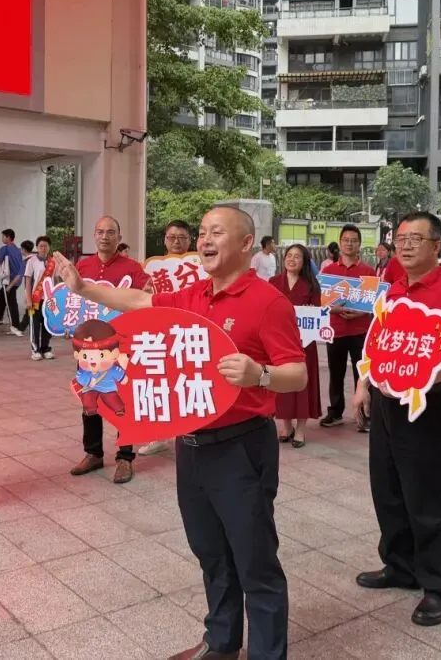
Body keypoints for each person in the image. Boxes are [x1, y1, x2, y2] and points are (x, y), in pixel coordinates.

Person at [53, 205, 306, 660]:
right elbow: (140, 303)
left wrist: (261, 375)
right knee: (210, 551)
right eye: (203, 232)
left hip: (241, 446)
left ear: (247, 243)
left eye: (217, 232)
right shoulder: (193, 294)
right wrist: (84, 287)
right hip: (190, 448)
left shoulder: (269, 302)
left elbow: (297, 374)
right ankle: (222, 642)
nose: (205, 240)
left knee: (255, 561)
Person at [352, 212, 441, 627]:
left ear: (437, 246)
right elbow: (377, 341)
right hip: (387, 404)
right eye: (400, 238)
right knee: (387, 490)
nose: (404, 246)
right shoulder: (394, 290)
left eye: (415, 239)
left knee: (428, 499)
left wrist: (420, 379)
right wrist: (363, 385)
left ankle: (440, 588)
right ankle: (400, 566)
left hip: (427, 406)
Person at [69, 216, 150, 485]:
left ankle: (125, 457)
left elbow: (143, 301)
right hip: (87, 346)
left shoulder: (133, 268)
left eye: (111, 232)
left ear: (119, 236)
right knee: (89, 400)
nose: (105, 236)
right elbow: (72, 302)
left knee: (122, 401)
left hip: (121, 346)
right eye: (100, 232)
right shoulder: (82, 266)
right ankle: (92, 453)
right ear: (94, 235)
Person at [139, 219, 195, 457]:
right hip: (161, 333)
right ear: (164, 240)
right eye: (172, 237)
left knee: (189, 382)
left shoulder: (200, 267)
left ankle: (191, 431)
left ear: (190, 240)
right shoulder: (152, 269)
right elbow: (142, 299)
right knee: (160, 384)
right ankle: (157, 436)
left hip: (191, 334)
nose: (176, 241)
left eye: (181, 237)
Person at [320, 224, 374, 431]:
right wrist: (334, 310)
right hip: (336, 330)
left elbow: (372, 304)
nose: (349, 244)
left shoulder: (367, 271)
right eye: (346, 240)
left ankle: (363, 414)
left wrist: (360, 312)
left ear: (359, 244)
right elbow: (323, 303)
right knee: (335, 373)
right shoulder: (329, 271)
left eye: (353, 240)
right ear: (340, 243)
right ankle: (335, 412)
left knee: (362, 375)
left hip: (360, 330)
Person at [272, 244, 322, 448]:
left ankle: (300, 429)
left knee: (303, 384)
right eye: (289, 256)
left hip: (305, 344)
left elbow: (318, 313)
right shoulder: (273, 282)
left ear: (304, 262)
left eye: (297, 257)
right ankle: (285, 425)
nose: (292, 259)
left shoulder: (311, 285)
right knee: (281, 381)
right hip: (279, 343)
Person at [0, 228, 27, 337]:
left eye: (3, 236)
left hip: (9, 280)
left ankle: (15, 326)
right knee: (2, 294)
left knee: (11, 303)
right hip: (17, 279)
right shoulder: (17, 250)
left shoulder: (5, 248)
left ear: (8, 237)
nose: (2, 238)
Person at [24, 236, 54, 360]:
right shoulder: (32, 261)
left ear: (49, 247)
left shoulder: (53, 262)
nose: (43, 248)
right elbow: (28, 280)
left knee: (48, 325)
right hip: (35, 299)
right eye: (41, 246)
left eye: (45, 246)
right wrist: (28, 298)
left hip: (49, 299)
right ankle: (35, 350)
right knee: (34, 325)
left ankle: (45, 348)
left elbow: (56, 280)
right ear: (37, 247)